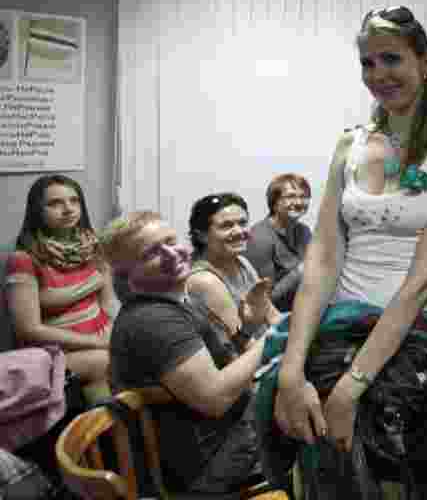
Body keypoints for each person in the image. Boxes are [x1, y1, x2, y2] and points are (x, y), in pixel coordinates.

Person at [271, 5, 427, 493]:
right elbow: (322, 259)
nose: (378, 74)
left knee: (394, 470)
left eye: (391, 59)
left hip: (417, 335)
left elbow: (424, 278)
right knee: (312, 452)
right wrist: (291, 369)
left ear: (424, 62)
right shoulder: (350, 145)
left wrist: (354, 384)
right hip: (340, 325)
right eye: (367, 63)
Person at [99, 210, 281, 495]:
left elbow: (221, 365)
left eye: (171, 241)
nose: (172, 255)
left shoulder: (177, 300)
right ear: (126, 275)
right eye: (151, 253)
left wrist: (247, 329)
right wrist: (273, 337)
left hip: (228, 435)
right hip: (209, 467)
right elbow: (215, 398)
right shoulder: (155, 320)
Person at [6, 174, 114, 401]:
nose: (68, 209)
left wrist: (115, 333)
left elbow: (107, 304)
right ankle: (102, 423)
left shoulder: (94, 246)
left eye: (74, 201)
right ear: (37, 211)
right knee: (105, 361)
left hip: (101, 337)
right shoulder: (23, 259)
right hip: (53, 352)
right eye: (55, 203)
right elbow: (28, 329)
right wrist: (97, 343)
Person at [187, 192, 283, 348]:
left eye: (243, 223)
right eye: (226, 226)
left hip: (268, 349)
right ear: (201, 236)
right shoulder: (205, 280)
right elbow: (243, 345)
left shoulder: (242, 262)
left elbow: (273, 316)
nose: (239, 231)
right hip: (247, 359)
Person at [244, 174, 313, 312]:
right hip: (275, 318)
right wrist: (300, 272)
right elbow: (264, 301)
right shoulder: (259, 238)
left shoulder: (304, 231)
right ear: (274, 202)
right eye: (291, 196)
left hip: (305, 310)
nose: (299, 202)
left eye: (304, 197)